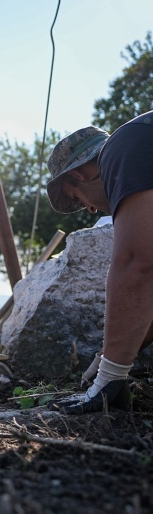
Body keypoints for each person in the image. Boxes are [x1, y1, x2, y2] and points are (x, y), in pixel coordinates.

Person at [45, 110, 153, 414]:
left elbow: (136, 263)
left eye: (78, 199)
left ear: (77, 175)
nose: (90, 209)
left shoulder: (122, 147)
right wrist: (111, 355)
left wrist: (110, 377)